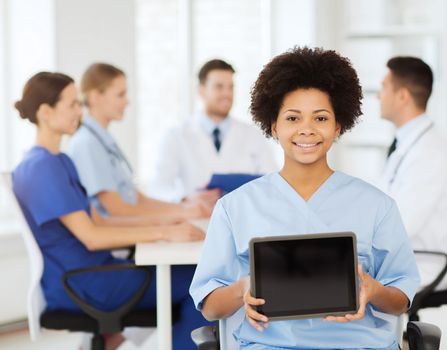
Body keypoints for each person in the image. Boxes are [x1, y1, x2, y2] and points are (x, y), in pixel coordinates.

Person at [189, 47, 420, 350]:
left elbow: (400, 300)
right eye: (293, 118)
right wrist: (243, 289)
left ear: (338, 126)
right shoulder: (236, 207)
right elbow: (210, 306)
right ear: (274, 125)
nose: (307, 130)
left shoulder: (377, 206)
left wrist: (374, 290)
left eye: (321, 118)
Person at [12, 72, 210, 350]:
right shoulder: (41, 167)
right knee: (202, 284)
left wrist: (168, 225)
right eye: (71, 105)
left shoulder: (59, 161)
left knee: (195, 276)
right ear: (46, 112)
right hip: (86, 283)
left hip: (96, 273)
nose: (79, 112)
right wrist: (164, 231)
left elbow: (98, 221)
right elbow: (91, 236)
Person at [67, 63, 218, 219]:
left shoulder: (103, 141)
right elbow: (116, 209)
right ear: (95, 97)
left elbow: (138, 200)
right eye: (120, 95)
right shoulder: (87, 144)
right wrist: (181, 213)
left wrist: (185, 207)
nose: (127, 102)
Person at [377, 56, 447, 290]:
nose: (378, 95)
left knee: (338, 282)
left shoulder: (429, 154)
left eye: (384, 87)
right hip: (406, 255)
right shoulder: (409, 143)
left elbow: (402, 225)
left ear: (403, 96)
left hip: (423, 263)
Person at [152, 59, 278, 202]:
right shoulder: (176, 136)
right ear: (201, 90)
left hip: (243, 218)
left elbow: (272, 181)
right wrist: (185, 198)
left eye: (231, 87)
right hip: (196, 218)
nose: (227, 94)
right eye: (219, 87)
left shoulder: (252, 134)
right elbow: (159, 187)